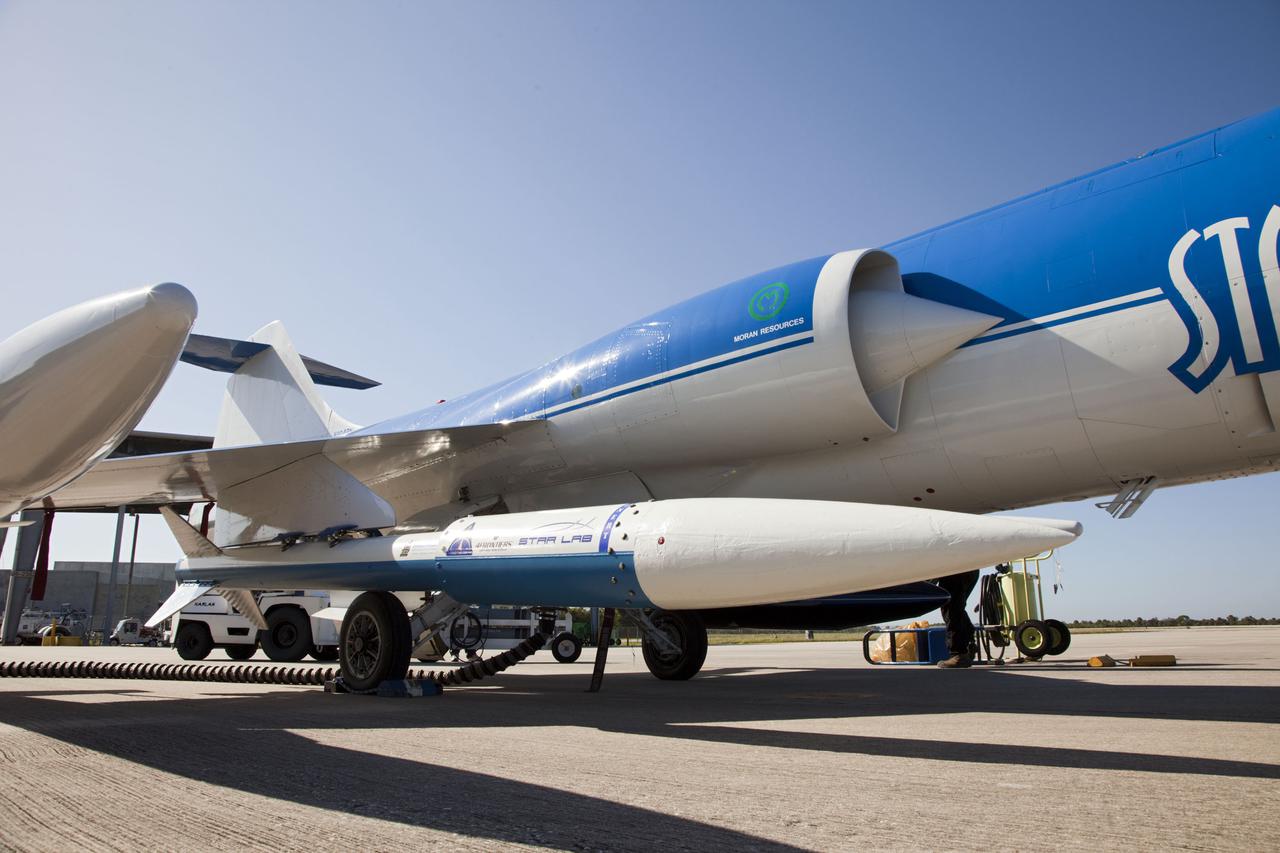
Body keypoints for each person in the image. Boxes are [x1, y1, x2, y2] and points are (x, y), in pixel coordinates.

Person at [933, 569, 980, 668]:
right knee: (957, 608)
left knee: (951, 609)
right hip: (971, 569)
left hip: (953, 571)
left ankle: (958, 655)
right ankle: (969, 644)